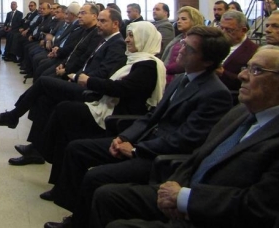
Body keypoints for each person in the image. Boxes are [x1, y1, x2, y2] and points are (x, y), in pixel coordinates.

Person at [44, 26, 233, 228]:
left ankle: (77, 224)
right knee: (77, 149)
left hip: (159, 158)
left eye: (189, 48)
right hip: (142, 141)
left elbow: (185, 140)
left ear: (208, 61)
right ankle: (77, 214)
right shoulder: (182, 79)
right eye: (183, 44)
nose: (181, 49)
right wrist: (125, 137)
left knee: (95, 177)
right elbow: (151, 117)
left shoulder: (215, 94)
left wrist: (136, 150)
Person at [90, 46, 279, 228]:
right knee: (107, 196)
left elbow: (258, 207)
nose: (242, 75)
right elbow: (198, 156)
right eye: (247, 67)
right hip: (185, 188)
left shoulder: (222, 97)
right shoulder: (240, 113)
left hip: (215, 214)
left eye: (257, 70)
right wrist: (174, 187)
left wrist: (185, 199)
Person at [0, 8, 127, 165]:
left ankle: (13, 116)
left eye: (102, 21)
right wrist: (71, 70)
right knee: (44, 99)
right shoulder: (105, 39)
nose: (99, 24)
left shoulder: (117, 44)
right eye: (98, 20)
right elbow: (84, 60)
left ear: (115, 24)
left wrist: (75, 76)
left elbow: (103, 73)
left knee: (44, 82)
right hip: (80, 80)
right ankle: (35, 150)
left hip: (90, 91)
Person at [37, 21, 166, 191]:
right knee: (63, 114)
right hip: (111, 107)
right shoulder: (135, 59)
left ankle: (43, 153)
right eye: (127, 35)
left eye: (131, 36)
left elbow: (121, 88)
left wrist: (89, 81)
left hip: (119, 118)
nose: (127, 39)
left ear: (144, 38)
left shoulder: (147, 65)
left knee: (64, 111)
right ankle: (57, 180)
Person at [161, 6, 205, 84]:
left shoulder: (198, 40)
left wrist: (163, 68)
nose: (179, 21)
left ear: (194, 21)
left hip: (183, 79)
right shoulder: (178, 38)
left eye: (183, 19)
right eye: (178, 19)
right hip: (167, 77)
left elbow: (188, 63)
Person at [217, 10, 258, 91]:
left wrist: (222, 73)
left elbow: (250, 81)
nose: (223, 32)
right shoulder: (216, 44)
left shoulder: (253, 51)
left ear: (243, 30)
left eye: (229, 30)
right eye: (221, 28)